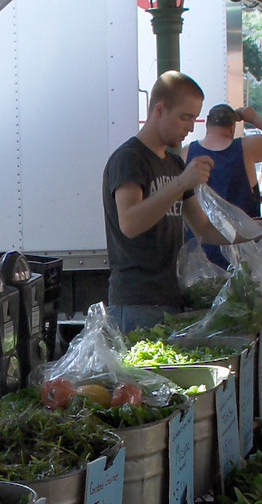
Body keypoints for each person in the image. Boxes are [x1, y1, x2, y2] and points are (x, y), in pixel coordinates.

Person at [102, 71, 253, 332]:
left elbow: (204, 230)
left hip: (170, 299)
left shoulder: (173, 163)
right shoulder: (129, 159)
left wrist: (259, 230)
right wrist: (182, 183)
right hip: (136, 303)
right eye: (185, 117)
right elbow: (129, 222)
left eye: (195, 118)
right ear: (160, 110)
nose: (191, 127)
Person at [185, 103, 262, 266]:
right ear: (232, 127)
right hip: (243, 249)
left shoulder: (186, 152)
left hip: (199, 252)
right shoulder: (247, 148)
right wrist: (252, 117)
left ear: (207, 123)